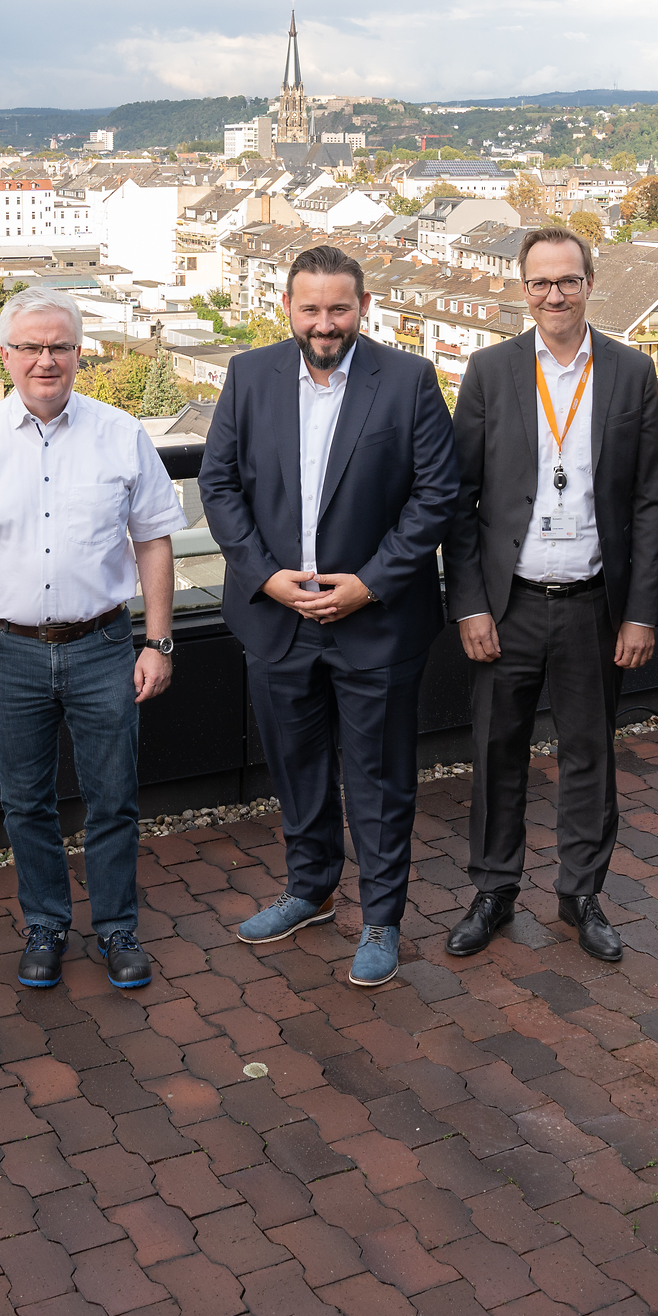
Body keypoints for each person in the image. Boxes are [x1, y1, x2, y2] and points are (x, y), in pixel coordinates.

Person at [198, 244, 459, 989]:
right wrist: (268, 578)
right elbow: (218, 487)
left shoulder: (407, 379)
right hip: (277, 620)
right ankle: (310, 890)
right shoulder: (250, 375)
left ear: (363, 306)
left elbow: (436, 495)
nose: (324, 322)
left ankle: (381, 918)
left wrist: (368, 584)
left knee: (378, 778)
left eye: (338, 307)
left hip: (376, 623)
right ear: (287, 307)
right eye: (309, 308)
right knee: (297, 767)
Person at [0, 288, 186, 991]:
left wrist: (159, 641)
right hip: (9, 654)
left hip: (102, 647)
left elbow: (154, 539)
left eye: (59, 346)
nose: (45, 359)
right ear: (5, 355)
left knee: (114, 796)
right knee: (25, 800)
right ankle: (45, 922)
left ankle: (117, 927)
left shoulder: (121, 433)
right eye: (30, 347)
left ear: (78, 354)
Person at [440, 227, 658, 962]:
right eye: (540, 282)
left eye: (567, 280)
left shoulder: (632, 373)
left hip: (595, 603)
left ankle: (580, 893)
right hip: (509, 605)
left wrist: (639, 610)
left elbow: (649, 503)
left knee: (589, 754)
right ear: (523, 288)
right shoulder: (489, 370)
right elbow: (460, 499)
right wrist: (469, 604)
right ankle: (494, 888)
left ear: (590, 282)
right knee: (496, 749)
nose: (554, 295)